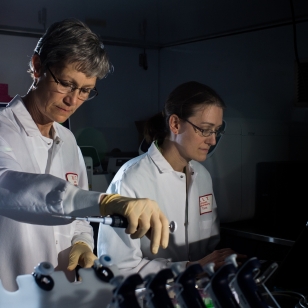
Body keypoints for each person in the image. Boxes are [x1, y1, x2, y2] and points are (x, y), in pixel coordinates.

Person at [0, 18, 169, 292]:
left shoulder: (68, 141)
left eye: (86, 90)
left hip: (62, 295)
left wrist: (81, 243)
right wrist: (105, 202)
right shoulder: (3, 130)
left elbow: (78, 217)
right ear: (37, 66)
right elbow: (10, 188)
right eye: (66, 83)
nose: (73, 100)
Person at [98, 81, 246, 277]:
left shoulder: (202, 176)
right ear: (175, 124)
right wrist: (191, 268)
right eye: (205, 129)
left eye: (216, 131)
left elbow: (209, 247)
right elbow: (117, 268)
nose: (212, 140)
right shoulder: (131, 179)